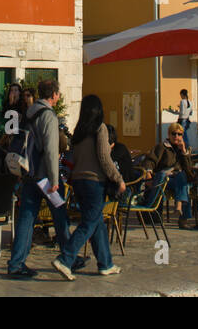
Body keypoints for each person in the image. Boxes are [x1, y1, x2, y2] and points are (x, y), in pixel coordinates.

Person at [52, 95, 124, 280]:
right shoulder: (100, 129)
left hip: (78, 181)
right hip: (94, 182)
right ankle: (65, 258)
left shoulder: (78, 133)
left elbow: (73, 158)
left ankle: (105, 263)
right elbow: (104, 157)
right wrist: (118, 178)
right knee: (89, 223)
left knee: (96, 222)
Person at [7, 78, 71, 279]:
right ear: (53, 95)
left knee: (26, 219)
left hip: (29, 173)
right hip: (45, 176)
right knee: (60, 215)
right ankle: (69, 256)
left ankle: (16, 263)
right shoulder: (49, 116)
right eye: (58, 93)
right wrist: (54, 180)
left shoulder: (30, 112)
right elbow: (52, 150)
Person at [143, 122, 196, 228]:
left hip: (178, 179)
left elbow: (189, 169)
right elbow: (149, 161)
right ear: (169, 134)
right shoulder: (162, 147)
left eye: (179, 134)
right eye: (174, 134)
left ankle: (179, 206)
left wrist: (184, 152)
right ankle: (180, 215)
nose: (176, 136)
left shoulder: (185, 148)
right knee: (172, 178)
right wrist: (148, 173)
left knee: (181, 177)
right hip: (163, 179)